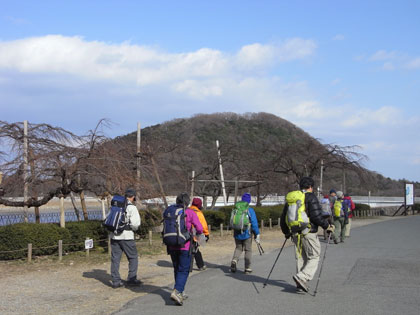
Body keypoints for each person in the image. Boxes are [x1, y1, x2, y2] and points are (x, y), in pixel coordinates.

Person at [280, 177, 334, 293]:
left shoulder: (292, 198)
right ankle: (302, 278)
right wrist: (327, 226)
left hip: (295, 232)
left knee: (302, 258)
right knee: (314, 256)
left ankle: (300, 283)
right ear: (311, 187)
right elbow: (316, 216)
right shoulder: (310, 197)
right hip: (308, 232)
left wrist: (286, 232)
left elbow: (283, 217)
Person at [165, 193, 203, 306]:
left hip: (171, 244)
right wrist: (198, 236)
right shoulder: (190, 212)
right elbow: (199, 228)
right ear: (187, 202)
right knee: (184, 269)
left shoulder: (168, 211)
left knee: (177, 268)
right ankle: (177, 291)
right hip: (185, 245)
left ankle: (180, 290)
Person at [110, 188, 141, 288]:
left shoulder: (115, 205)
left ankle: (115, 281)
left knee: (115, 259)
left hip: (114, 236)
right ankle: (131, 279)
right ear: (133, 197)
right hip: (127, 236)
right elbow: (136, 224)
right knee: (133, 257)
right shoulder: (131, 207)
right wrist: (132, 228)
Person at [230, 193, 260, 274]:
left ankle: (234, 260)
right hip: (247, 233)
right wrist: (257, 233)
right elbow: (254, 223)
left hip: (237, 232)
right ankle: (247, 268)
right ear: (249, 201)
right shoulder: (250, 210)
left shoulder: (235, 209)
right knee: (248, 250)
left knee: (238, 248)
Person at [190, 197, 210, 271]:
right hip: (196, 233)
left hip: (186, 233)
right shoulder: (198, 213)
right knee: (195, 249)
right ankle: (200, 265)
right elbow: (203, 225)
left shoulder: (187, 210)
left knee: (191, 249)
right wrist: (206, 234)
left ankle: (194, 265)